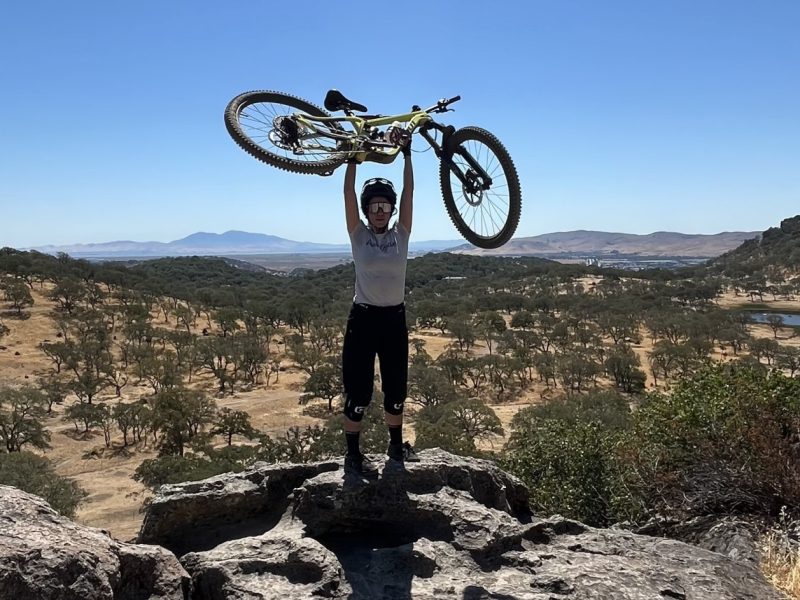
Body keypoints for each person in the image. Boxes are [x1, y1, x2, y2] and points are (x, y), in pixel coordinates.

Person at [341, 137, 419, 475]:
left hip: (394, 320)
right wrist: (353, 158)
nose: (379, 211)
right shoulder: (358, 235)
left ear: (391, 208)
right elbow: (346, 194)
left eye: (384, 205)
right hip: (364, 319)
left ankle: (394, 446)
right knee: (358, 394)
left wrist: (407, 154)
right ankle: (353, 454)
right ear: (366, 208)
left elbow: (410, 193)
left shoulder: (402, 233)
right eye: (373, 205)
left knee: (396, 392)